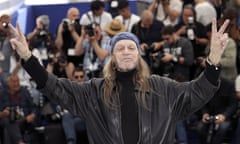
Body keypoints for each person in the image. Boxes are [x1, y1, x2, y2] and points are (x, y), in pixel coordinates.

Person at [9, 18, 229, 144]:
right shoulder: (94, 91)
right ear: (112, 58)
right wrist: (28, 59)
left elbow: (199, 91)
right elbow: (55, 88)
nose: (126, 52)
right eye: (119, 48)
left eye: (131, 47)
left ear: (138, 54)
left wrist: (215, 58)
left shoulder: (163, 88)